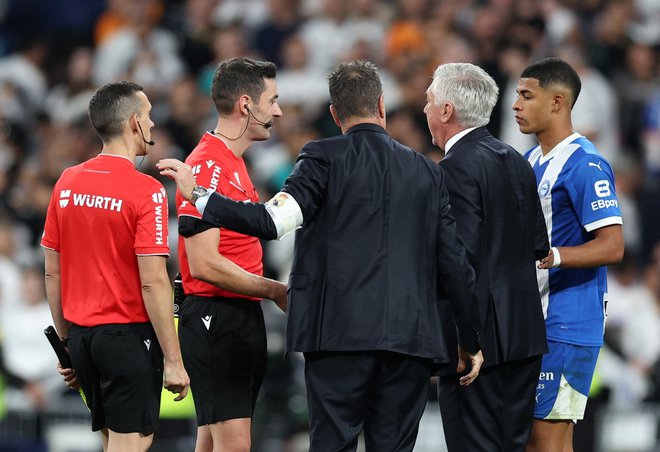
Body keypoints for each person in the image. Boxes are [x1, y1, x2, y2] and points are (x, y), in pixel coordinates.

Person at [158, 60, 484, 452]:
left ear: (334, 113)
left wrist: (199, 196)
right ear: (381, 105)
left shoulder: (322, 157)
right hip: (409, 342)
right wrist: (469, 338)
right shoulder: (427, 172)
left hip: (336, 339)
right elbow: (455, 264)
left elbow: (273, 223)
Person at [41, 81, 190, 452]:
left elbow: (52, 272)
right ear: (135, 123)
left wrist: (67, 345)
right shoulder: (147, 190)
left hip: (82, 339)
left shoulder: (67, 182)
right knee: (132, 444)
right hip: (127, 338)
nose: (154, 125)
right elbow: (154, 281)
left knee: (114, 443)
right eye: (150, 116)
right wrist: (174, 360)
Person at [425, 62, 550, 451]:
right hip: (525, 338)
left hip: (479, 349)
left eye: (429, 100)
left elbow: (460, 263)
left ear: (446, 111)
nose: (424, 108)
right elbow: (537, 247)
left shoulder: (454, 169)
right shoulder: (518, 161)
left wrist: (468, 341)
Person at [173, 57, 288, 452]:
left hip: (235, 315)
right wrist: (274, 290)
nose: (278, 111)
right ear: (245, 105)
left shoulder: (233, 162)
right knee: (232, 446)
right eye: (271, 100)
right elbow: (204, 265)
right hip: (215, 318)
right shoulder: (206, 165)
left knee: (211, 442)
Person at [513, 57, 624, 451]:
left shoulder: (585, 164)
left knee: (546, 442)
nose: (516, 105)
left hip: (568, 323)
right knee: (542, 442)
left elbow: (613, 245)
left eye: (527, 95)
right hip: (536, 321)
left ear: (558, 102)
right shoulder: (529, 161)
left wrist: (553, 256)